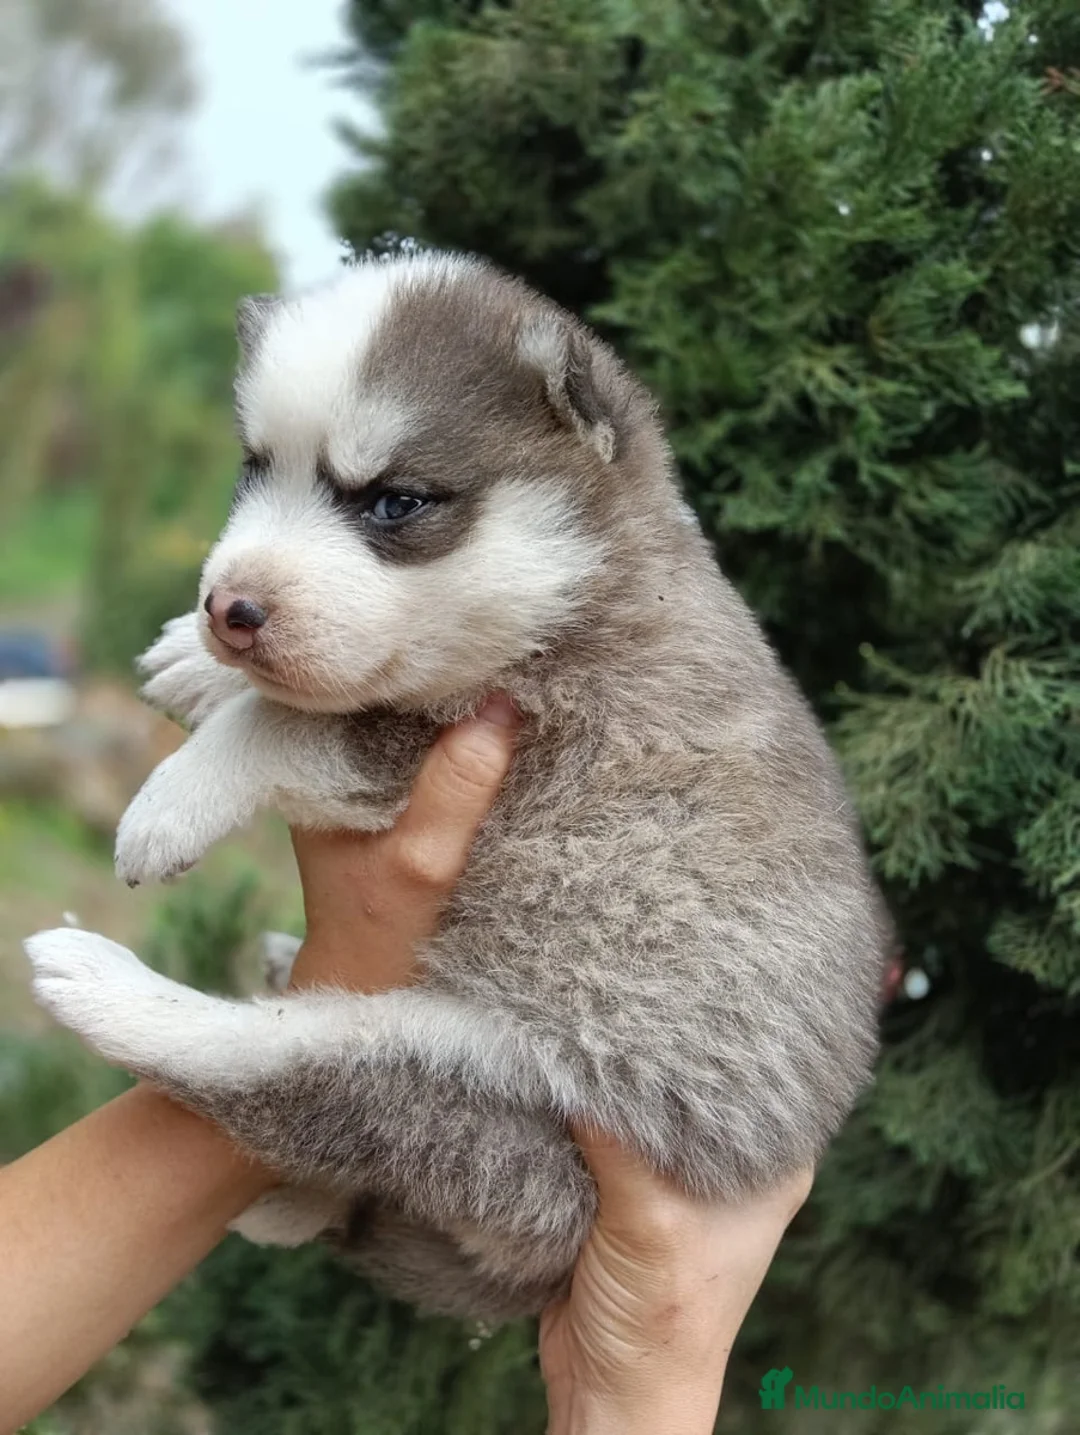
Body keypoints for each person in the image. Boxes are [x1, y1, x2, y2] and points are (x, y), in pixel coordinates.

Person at [0, 695, 811, 1435]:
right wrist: (645, 1393)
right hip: (556, 1151)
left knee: (425, 1080)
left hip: (565, 1128)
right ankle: (306, 1152)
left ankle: (272, 1117)